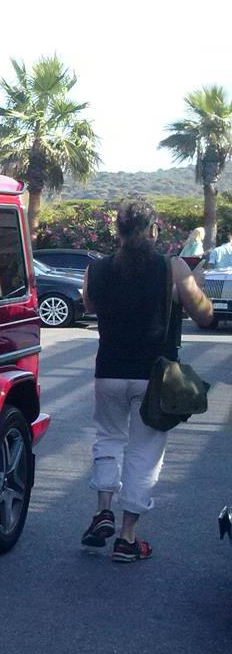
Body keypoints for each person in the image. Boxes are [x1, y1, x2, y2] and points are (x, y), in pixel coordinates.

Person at [79, 199, 213, 562]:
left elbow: (90, 306)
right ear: (153, 230)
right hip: (154, 377)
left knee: (107, 439)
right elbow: (204, 316)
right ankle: (126, 537)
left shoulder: (98, 268)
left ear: (118, 232)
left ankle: (102, 510)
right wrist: (193, 285)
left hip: (108, 372)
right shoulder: (172, 267)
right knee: (144, 452)